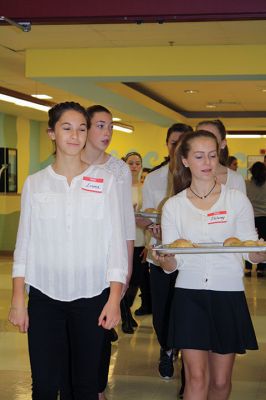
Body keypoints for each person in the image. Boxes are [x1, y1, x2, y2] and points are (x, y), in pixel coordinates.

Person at [8, 102, 127, 400]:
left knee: (85, 386)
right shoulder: (36, 184)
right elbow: (25, 243)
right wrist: (18, 299)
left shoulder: (106, 182)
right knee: (45, 385)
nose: (75, 136)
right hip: (45, 298)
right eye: (67, 128)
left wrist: (114, 299)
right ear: (52, 133)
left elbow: (115, 245)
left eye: (82, 128)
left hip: (92, 296)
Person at [155, 130, 265, 400]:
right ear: (184, 160)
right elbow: (173, 263)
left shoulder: (236, 199)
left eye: (213, 156)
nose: (208, 162)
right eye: (199, 156)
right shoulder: (174, 206)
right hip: (189, 296)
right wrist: (166, 260)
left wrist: (259, 254)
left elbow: (249, 248)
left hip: (228, 294)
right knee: (196, 377)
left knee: (220, 381)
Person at [82, 105, 135, 399]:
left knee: (101, 332)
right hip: (75, 262)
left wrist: (125, 270)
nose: (107, 133)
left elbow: (126, 223)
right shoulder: (68, 163)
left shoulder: (118, 169)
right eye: (100, 126)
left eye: (111, 127)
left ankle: (98, 390)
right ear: (86, 128)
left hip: (107, 264)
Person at [137, 123, 192, 389]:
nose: (176, 146)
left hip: (191, 260)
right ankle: (167, 349)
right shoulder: (155, 178)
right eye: (172, 141)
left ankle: (189, 366)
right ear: (166, 144)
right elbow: (146, 217)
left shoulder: (198, 177)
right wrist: (150, 225)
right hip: (159, 257)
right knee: (162, 310)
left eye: (182, 141)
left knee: (187, 310)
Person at [122, 152, 152, 332]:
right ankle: (125, 315)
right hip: (124, 239)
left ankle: (125, 309)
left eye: (137, 163)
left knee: (136, 279)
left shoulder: (145, 188)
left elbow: (150, 217)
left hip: (142, 239)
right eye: (130, 163)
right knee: (124, 278)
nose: (134, 166)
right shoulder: (119, 187)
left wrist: (149, 244)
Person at [196, 120, 246, 194]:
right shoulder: (186, 175)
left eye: (211, 138)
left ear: (223, 143)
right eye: (199, 137)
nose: (204, 143)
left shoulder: (235, 180)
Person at [245, 161, 266, 277]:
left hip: (251, 218)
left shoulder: (246, 184)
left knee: (250, 242)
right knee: (262, 243)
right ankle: (261, 269)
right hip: (264, 218)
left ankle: (248, 268)